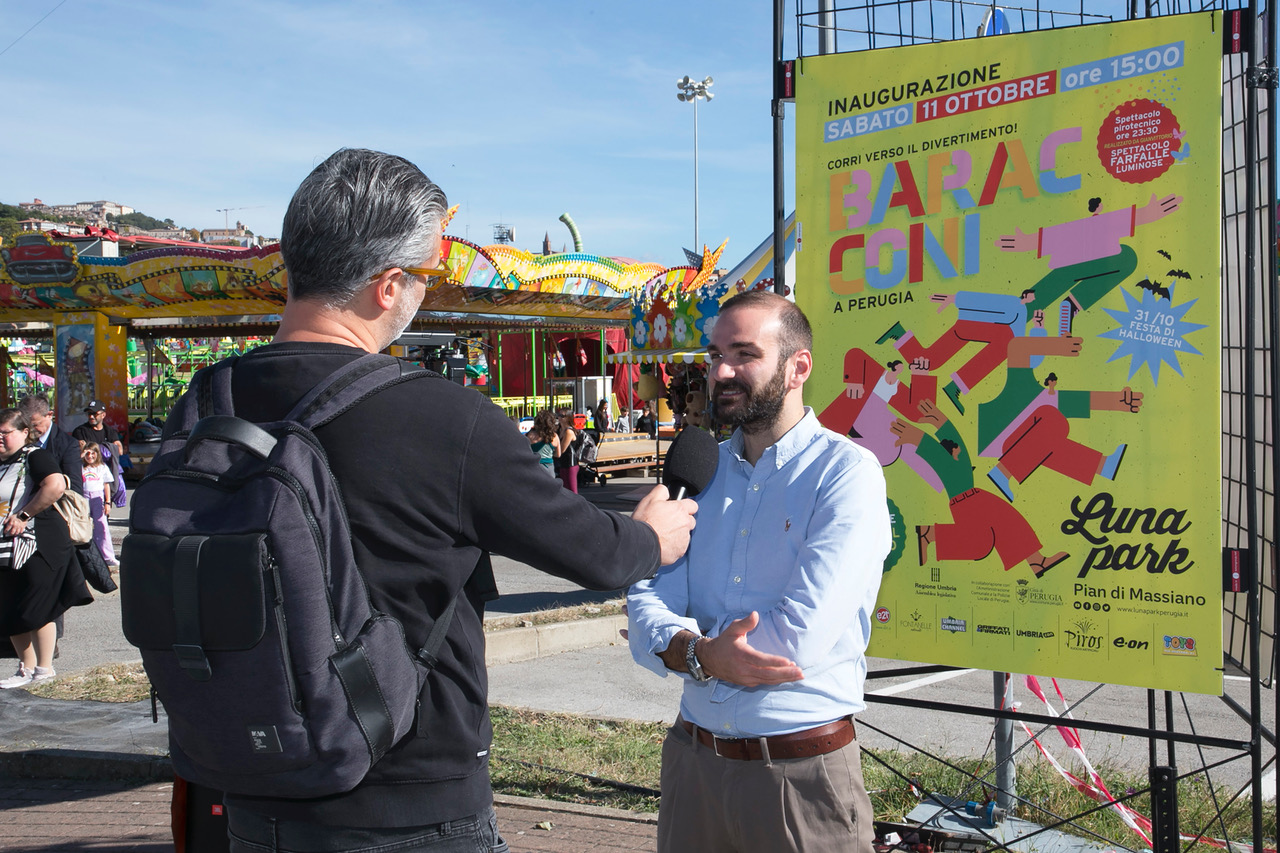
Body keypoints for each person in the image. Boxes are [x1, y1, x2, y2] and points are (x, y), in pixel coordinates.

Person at [209, 147, 697, 853]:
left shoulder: (207, 401)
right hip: (411, 794)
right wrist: (652, 533)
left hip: (254, 783)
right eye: (425, 277)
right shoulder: (443, 418)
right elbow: (597, 552)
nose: (425, 294)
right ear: (387, 286)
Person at [627, 290, 891, 853]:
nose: (721, 371)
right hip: (692, 765)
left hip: (798, 776)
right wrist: (701, 652)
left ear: (799, 367)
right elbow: (647, 595)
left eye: (744, 353)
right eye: (715, 354)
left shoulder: (846, 475)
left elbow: (797, 639)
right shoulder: (697, 471)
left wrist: (685, 647)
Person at [0, 409, 91, 689]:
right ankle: (25, 669)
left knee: (37, 607)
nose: (0, 438)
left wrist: (24, 515)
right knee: (9, 606)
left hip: (40, 543)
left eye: (6, 433)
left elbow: (55, 485)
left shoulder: (34, 457)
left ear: (25, 432)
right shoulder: (4, 462)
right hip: (7, 547)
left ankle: (44, 668)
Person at [17, 394, 83, 496]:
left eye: (35, 425)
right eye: (26, 425)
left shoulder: (68, 445)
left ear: (49, 415)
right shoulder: (18, 439)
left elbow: (74, 489)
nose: (30, 430)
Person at [79, 441, 116, 567]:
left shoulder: (102, 467)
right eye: (87, 453)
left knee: (102, 527)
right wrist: (81, 454)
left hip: (98, 497)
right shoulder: (81, 467)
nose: (90, 456)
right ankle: (86, 556)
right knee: (83, 527)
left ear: (97, 454)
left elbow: (106, 486)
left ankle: (107, 556)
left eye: (92, 453)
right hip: (84, 497)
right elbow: (71, 465)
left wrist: (107, 502)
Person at [527, 409, 560, 476]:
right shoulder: (554, 436)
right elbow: (558, 454)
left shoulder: (531, 435)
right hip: (549, 468)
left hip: (535, 467)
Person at [555, 408, 579, 493]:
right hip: (562, 463)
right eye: (558, 415)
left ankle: (578, 506)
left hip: (570, 464)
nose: (559, 418)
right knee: (565, 491)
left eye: (562, 416)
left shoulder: (569, 431)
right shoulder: (559, 430)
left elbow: (562, 449)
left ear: (568, 418)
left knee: (572, 490)